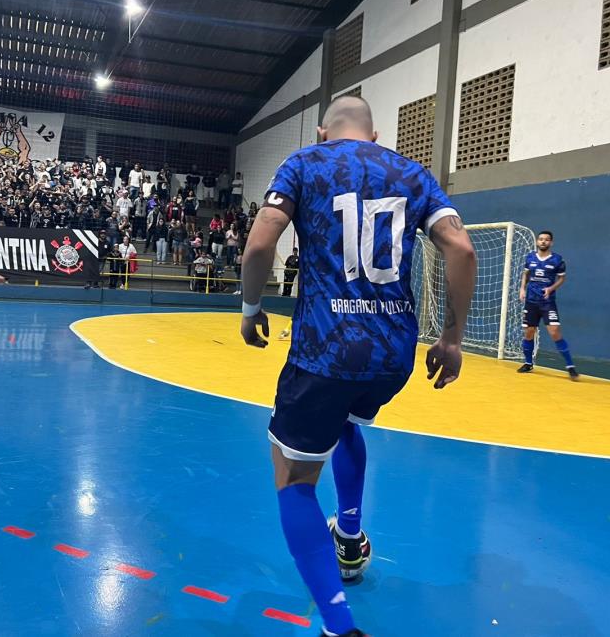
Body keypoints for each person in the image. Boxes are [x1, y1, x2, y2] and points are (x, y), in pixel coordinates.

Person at [238, 96, 477, 637]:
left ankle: (338, 625)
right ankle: (349, 534)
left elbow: (259, 245)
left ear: (324, 131)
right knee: (347, 423)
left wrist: (251, 309)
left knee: (294, 477)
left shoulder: (304, 163)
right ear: (375, 131)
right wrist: (454, 340)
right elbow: (461, 248)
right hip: (393, 354)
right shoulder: (413, 173)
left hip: (325, 350)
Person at [518, 230, 579, 379]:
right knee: (529, 332)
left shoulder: (557, 260)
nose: (543, 241)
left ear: (551, 242)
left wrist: (551, 288)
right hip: (531, 301)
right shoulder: (530, 257)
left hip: (547, 302)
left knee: (555, 332)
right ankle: (528, 363)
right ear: (537, 242)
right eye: (541, 239)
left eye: (546, 240)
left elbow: (562, 278)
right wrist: (522, 289)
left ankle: (570, 366)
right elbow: (526, 274)